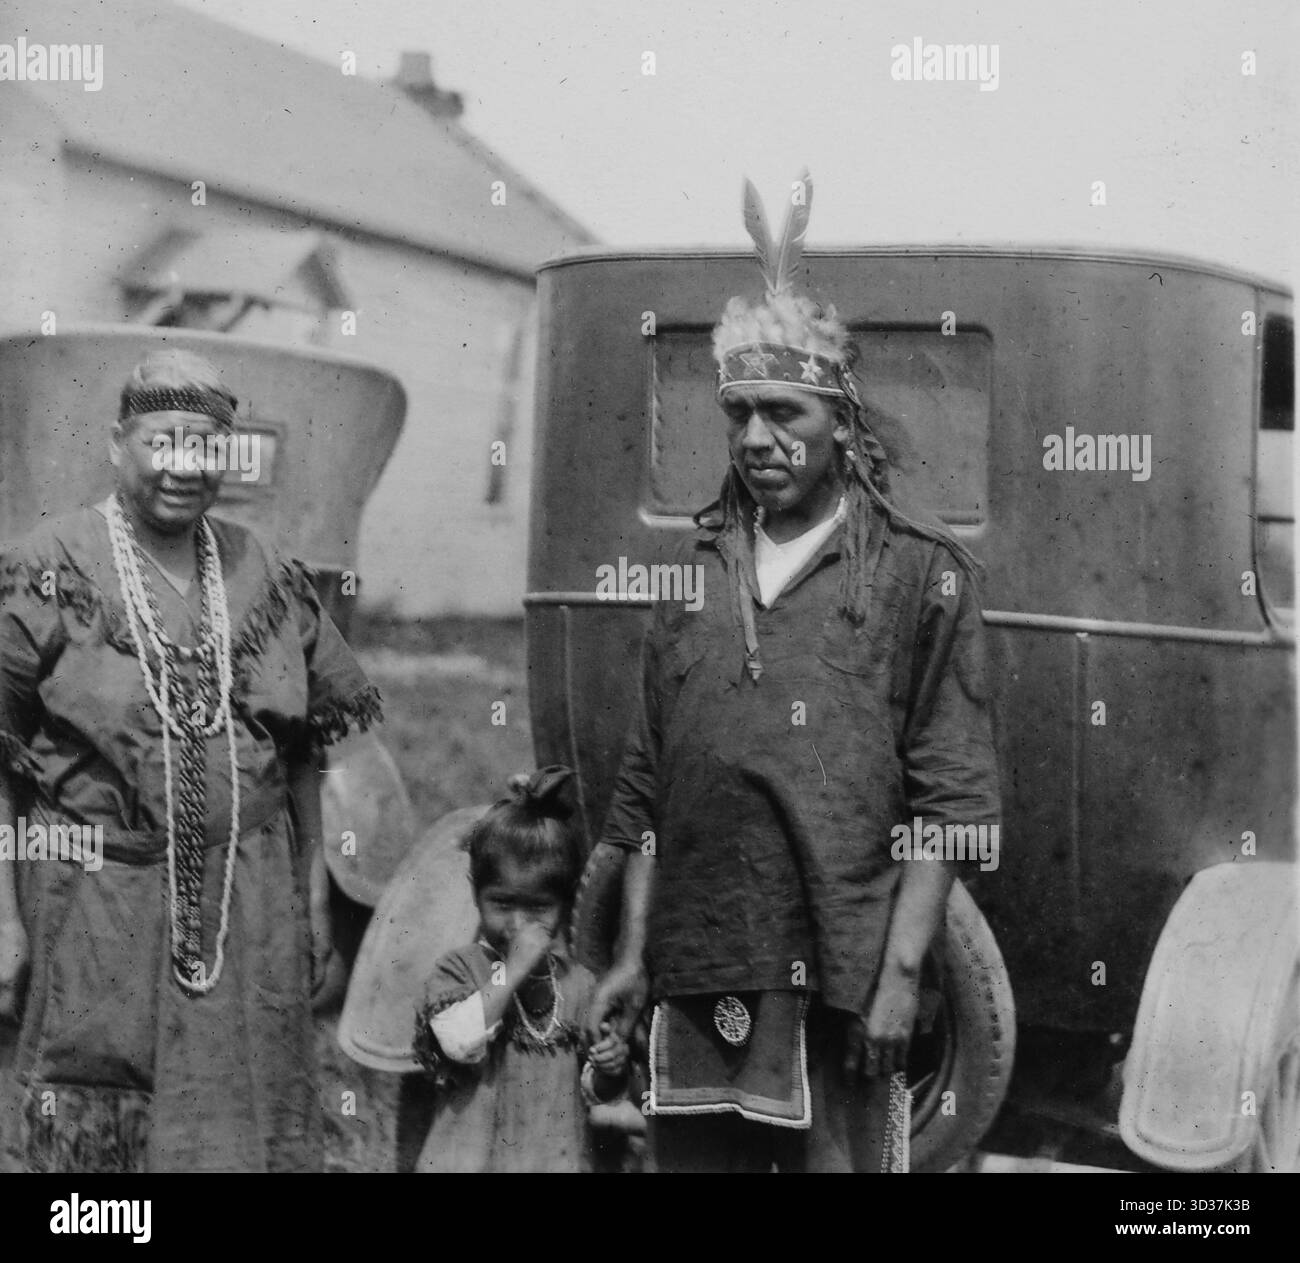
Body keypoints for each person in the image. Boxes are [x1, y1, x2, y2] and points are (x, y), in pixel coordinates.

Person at [586, 174, 1001, 1172]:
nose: (758, 438)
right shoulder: (692, 577)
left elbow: (950, 801)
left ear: (843, 424)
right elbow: (645, 791)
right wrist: (636, 955)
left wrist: (902, 971)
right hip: (697, 967)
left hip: (840, 972)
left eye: (785, 413)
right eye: (738, 413)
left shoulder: (916, 573)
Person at [0, 349, 381, 1172]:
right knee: (99, 1138)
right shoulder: (48, 564)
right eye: (162, 441)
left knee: (236, 1121)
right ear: (117, 442)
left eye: (205, 445)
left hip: (249, 898)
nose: (184, 465)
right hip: (95, 901)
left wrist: (312, 897)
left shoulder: (267, 573)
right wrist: (0, 915)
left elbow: (307, 750)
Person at [412, 766, 629, 1173]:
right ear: (476, 894)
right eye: (503, 904)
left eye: (537, 908)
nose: (517, 924)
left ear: (563, 907)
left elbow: (592, 1092)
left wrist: (608, 1071)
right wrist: (511, 972)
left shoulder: (578, 984)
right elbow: (459, 1043)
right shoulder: (459, 971)